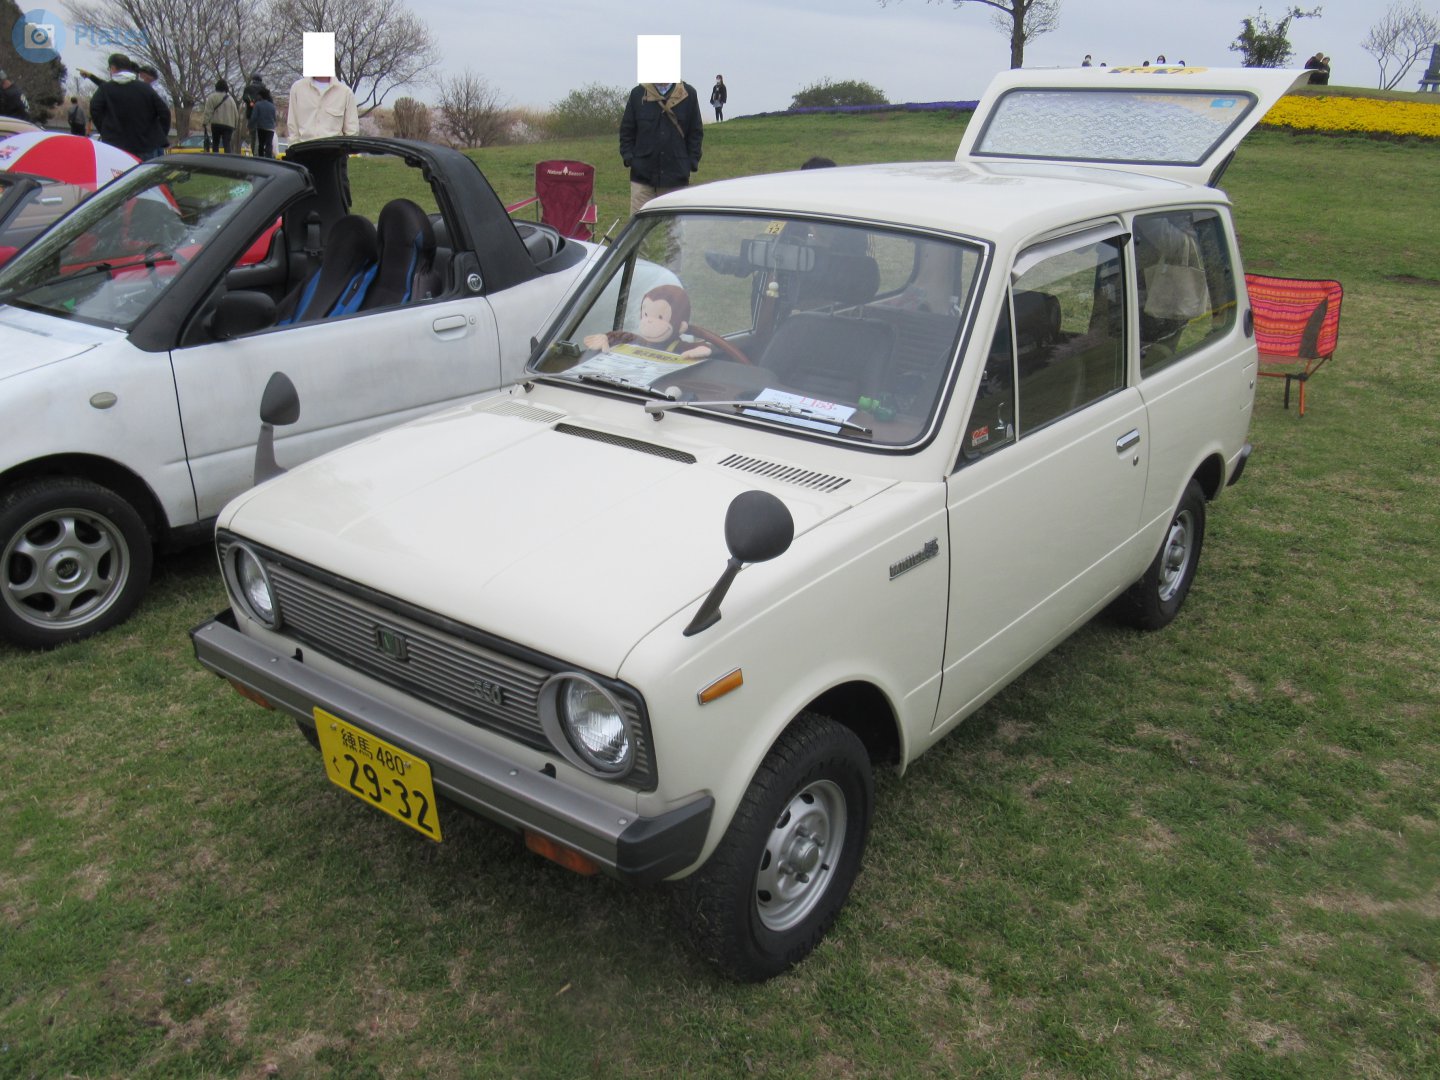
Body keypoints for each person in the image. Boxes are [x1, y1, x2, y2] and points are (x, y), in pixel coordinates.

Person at [619, 79, 704, 215]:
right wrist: (629, 159)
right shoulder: (638, 94)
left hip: (675, 177)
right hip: (642, 178)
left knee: (674, 232)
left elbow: (695, 133)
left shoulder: (688, 94)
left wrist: (690, 163)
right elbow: (627, 131)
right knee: (639, 232)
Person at [583, 285, 711, 358]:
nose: (649, 321)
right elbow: (618, 337)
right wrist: (604, 338)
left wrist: (701, 350)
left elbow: (701, 348)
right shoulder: (635, 341)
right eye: (645, 315)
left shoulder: (679, 348)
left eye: (660, 317)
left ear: (681, 325)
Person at [89, 54, 170, 159]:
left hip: (115, 145)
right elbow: (164, 112)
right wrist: (159, 135)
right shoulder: (145, 88)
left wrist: (106, 131)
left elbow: (95, 109)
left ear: (113, 68)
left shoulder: (105, 89)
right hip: (145, 145)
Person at [286, 73, 360, 143]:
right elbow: (292, 127)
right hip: (303, 151)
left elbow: (351, 132)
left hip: (334, 152)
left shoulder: (346, 93)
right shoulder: (297, 88)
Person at [202, 79, 240, 154]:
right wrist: (235, 126)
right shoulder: (231, 99)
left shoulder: (212, 97)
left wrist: (205, 122)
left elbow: (208, 111)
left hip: (216, 124)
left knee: (215, 143)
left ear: (216, 87)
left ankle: (215, 160)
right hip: (229, 125)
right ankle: (228, 161)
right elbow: (236, 114)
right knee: (227, 144)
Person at [242, 73, 267, 154]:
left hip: (251, 115)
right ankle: (258, 155)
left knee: (253, 137)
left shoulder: (248, 88)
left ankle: (254, 154)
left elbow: (245, 97)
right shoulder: (264, 89)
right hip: (262, 116)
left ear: (253, 80)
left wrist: (250, 102)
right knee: (259, 138)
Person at [251, 87, 277, 158]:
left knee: (261, 144)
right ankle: (268, 158)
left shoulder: (258, 104)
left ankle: (261, 158)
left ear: (261, 95)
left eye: (258, 95)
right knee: (269, 144)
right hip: (271, 128)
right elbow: (275, 118)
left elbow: (254, 117)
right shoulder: (272, 106)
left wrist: (250, 125)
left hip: (261, 127)